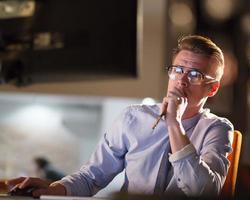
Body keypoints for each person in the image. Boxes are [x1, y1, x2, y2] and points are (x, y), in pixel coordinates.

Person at [6, 35, 233, 198]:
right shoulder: (133, 118)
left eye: (195, 74)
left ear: (212, 89)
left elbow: (205, 192)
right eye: (178, 70)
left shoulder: (218, 129)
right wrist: (51, 190)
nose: (182, 80)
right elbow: (91, 177)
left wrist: (174, 123)